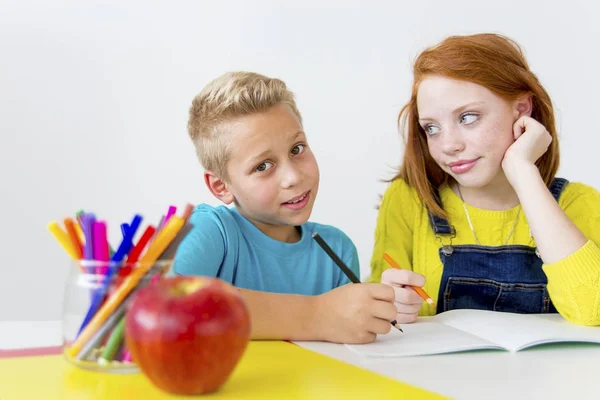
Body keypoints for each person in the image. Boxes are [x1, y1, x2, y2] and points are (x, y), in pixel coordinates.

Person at [369, 33, 600, 326]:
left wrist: (524, 171)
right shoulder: (408, 200)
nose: (449, 145)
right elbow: (379, 314)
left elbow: (592, 310)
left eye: (467, 118)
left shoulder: (578, 203)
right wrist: (390, 305)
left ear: (522, 110)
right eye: (431, 128)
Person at [174, 71, 398, 343]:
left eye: (297, 149)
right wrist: (318, 315)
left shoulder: (337, 249)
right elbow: (174, 305)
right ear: (221, 186)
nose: (293, 177)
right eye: (263, 166)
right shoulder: (211, 231)